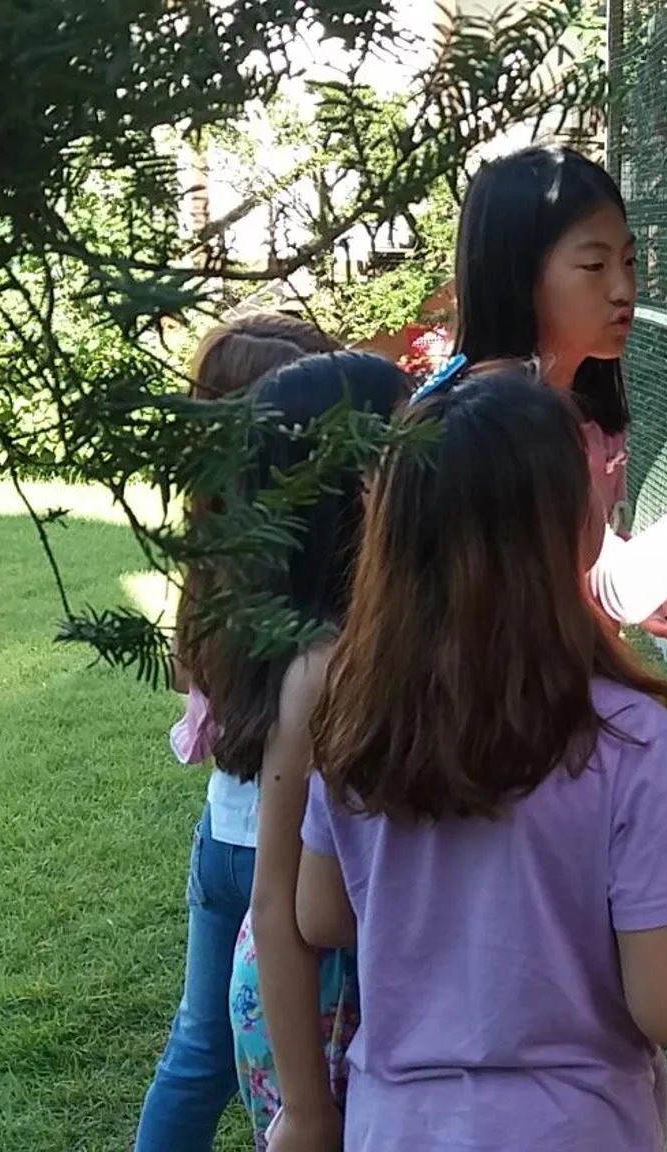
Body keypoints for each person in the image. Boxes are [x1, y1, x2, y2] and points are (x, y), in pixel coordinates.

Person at [292, 371, 667, 1151]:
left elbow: (320, 913)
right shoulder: (633, 742)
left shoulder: (357, 715)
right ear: (575, 527)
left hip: (395, 1127)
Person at [441, 142, 667, 641]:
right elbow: (621, 588)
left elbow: (596, 570)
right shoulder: (503, 423)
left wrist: (640, 579)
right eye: (594, 266)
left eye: (630, 261)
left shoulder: (571, 401)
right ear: (517, 276)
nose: (623, 288)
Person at [134, 313, 342, 1152]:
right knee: (315, 1056)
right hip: (291, 854)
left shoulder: (214, 540)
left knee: (200, 1046)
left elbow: (189, 673)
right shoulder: (321, 559)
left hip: (225, 836)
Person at [222, 352, 410, 1149]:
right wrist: (304, 1107)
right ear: (357, 489)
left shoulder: (391, 629)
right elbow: (274, 901)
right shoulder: (322, 667)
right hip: (319, 1013)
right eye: (412, 445)